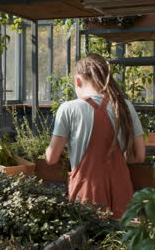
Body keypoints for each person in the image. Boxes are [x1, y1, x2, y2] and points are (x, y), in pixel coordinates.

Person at [45, 53, 145, 219]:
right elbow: (139, 156)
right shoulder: (125, 106)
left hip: (87, 191)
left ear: (78, 80)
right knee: (120, 240)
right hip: (121, 190)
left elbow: (51, 158)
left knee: (88, 239)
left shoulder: (69, 108)